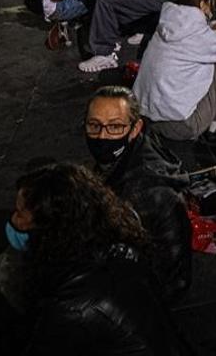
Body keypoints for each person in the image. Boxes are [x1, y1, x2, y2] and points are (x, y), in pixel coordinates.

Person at [7, 164, 190, 354]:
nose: (14, 220)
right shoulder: (117, 245)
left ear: (51, 228)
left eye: (20, 213)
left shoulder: (70, 305)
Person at [81, 86, 194, 303]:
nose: (102, 136)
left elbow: (172, 280)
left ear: (135, 128)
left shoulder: (145, 195)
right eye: (94, 125)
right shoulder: (132, 152)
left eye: (115, 127)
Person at [133, 0, 216, 141]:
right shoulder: (200, 37)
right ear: (203, 5)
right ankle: (215, 130)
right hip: (181, 126)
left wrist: (212, 30)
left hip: (144, 115)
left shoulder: (164, 26)